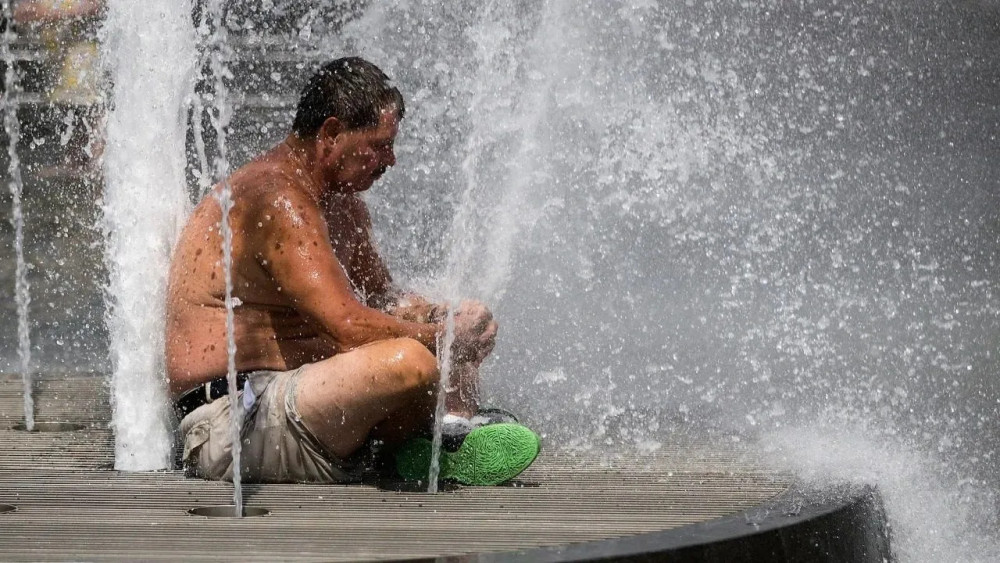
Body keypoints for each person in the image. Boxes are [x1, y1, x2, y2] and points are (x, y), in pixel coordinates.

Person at [165, 57, 539, 486]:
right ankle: (440, 438)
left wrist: (440, 317)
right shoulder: (276, 200)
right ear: (331, 134)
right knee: (413, 359)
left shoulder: (342, 206)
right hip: (231, 419)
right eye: (379, 145)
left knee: (442, 336)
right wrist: (446, 342)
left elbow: (380, 297)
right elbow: (347, 325)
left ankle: (444, 434)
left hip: (298, 400)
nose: (391, 160)